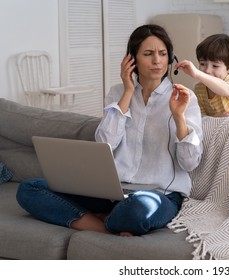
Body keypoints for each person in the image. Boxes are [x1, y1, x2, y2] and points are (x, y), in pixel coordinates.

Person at [16, 24, 203, 236]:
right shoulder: (117, 93)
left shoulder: (185, 98)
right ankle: (103, 225)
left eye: (162, 54)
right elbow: (105, 144)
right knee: (29, 189)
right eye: (148, 54)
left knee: (138, 209)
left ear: (170, 59)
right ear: (131, 60)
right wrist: (127, 92)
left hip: (161, 195)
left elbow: (190, 163)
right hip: (113, 191)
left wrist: (178, 117)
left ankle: (106, 218)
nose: (157, 61)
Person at [175, 34, 229, 117]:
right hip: (226, 127)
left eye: (215, 66)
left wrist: (197, 74)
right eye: (202, 64)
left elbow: (225, 90)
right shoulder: (199, 88)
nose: (207, 70)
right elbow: (201, 116)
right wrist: (216, 117)